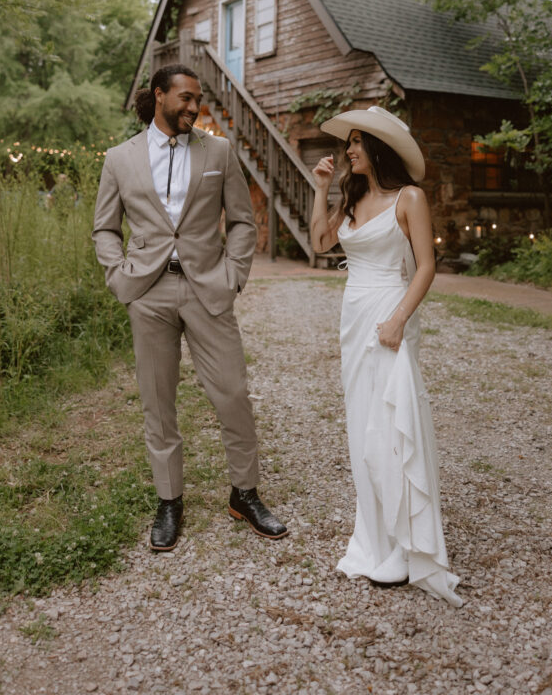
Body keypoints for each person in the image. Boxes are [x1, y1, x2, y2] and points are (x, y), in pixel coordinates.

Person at [92, 63, 287, 551]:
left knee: (233, 394)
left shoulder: (217, 150)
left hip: (208, 290)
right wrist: (120, 277)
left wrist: (233, 274)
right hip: (149, 293)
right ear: (159, 95)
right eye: (185, 97)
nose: (194, 107)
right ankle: (169, 501)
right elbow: (105, 228)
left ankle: (244, 493)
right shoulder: (120, 158)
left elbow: (241, 220)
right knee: (158, 403)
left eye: (197, 99)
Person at [310, 106, 462, 606]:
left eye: (356, 143)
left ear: (377, 148)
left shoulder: (409, 198)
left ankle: (405, 544)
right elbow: (318, 242)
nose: (348, 150)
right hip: (353, 321)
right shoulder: (352, 202)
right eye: (349, 143)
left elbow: (426, 266)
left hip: (388, 314)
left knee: (390, 427)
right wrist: (322, 189)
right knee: (361, 427)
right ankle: (373, 539)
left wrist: (398, 318)